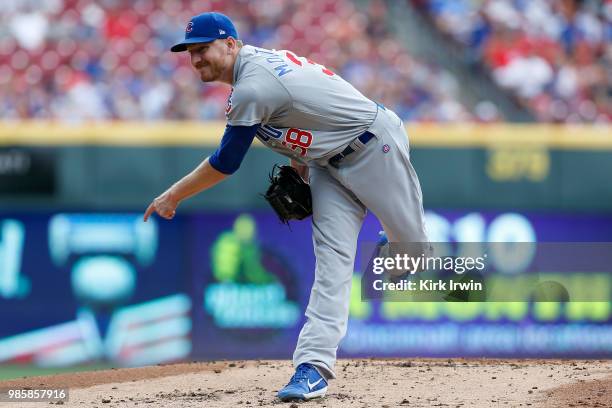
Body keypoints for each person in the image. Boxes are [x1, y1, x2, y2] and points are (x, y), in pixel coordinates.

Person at [143, 11, 429, 402]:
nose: (196, 60)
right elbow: (307, 119)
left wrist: (173, 194)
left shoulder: (252, 86)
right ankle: (312, 368)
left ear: (230, 44)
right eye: (190, 53)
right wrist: (303, 170)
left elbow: (225, 163)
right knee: (331, 264)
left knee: (412, 253)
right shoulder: (256, 73)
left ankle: (398, 248)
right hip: (326, 163)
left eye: (203, 49)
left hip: (374, 146)